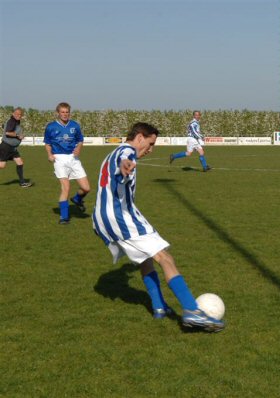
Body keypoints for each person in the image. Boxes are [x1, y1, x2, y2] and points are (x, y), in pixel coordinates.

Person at [92, 122, 224, 332]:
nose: (151, 149)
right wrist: (125, 165)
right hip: (119, 216)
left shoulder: (112, 153)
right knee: (165, 257)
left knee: (146, 258)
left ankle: (159, 306)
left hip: (106, 216)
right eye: (150, 143)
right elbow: (124, 161)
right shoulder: (127, 151)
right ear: (140, 137)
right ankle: (192, 311)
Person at [44, 102, 91, 224]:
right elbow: (47, 143)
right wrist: (49, 154)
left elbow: (80, 139)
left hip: (73, 158)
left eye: (67, 112)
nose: (65, 114)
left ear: (69, 113)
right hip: (59, 158)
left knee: (86, 188)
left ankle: (77, 199)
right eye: (62, 112)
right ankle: (64, 218)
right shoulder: (51, 127)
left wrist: (79, 148)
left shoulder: (75, 125)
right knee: (66, 188)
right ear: (58, 113)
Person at [1, 107, 33, 187]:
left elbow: (6, 127)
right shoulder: (12, 121)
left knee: (20, 162)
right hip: (7, 147)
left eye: (20, 114)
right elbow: (8, 133)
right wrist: (19, 136)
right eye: (17, 114)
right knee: (2, 165)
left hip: (13, 148)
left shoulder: (16, 121)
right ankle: (22, 183)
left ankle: (22, 183)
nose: (19, 115)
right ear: (13, 114)